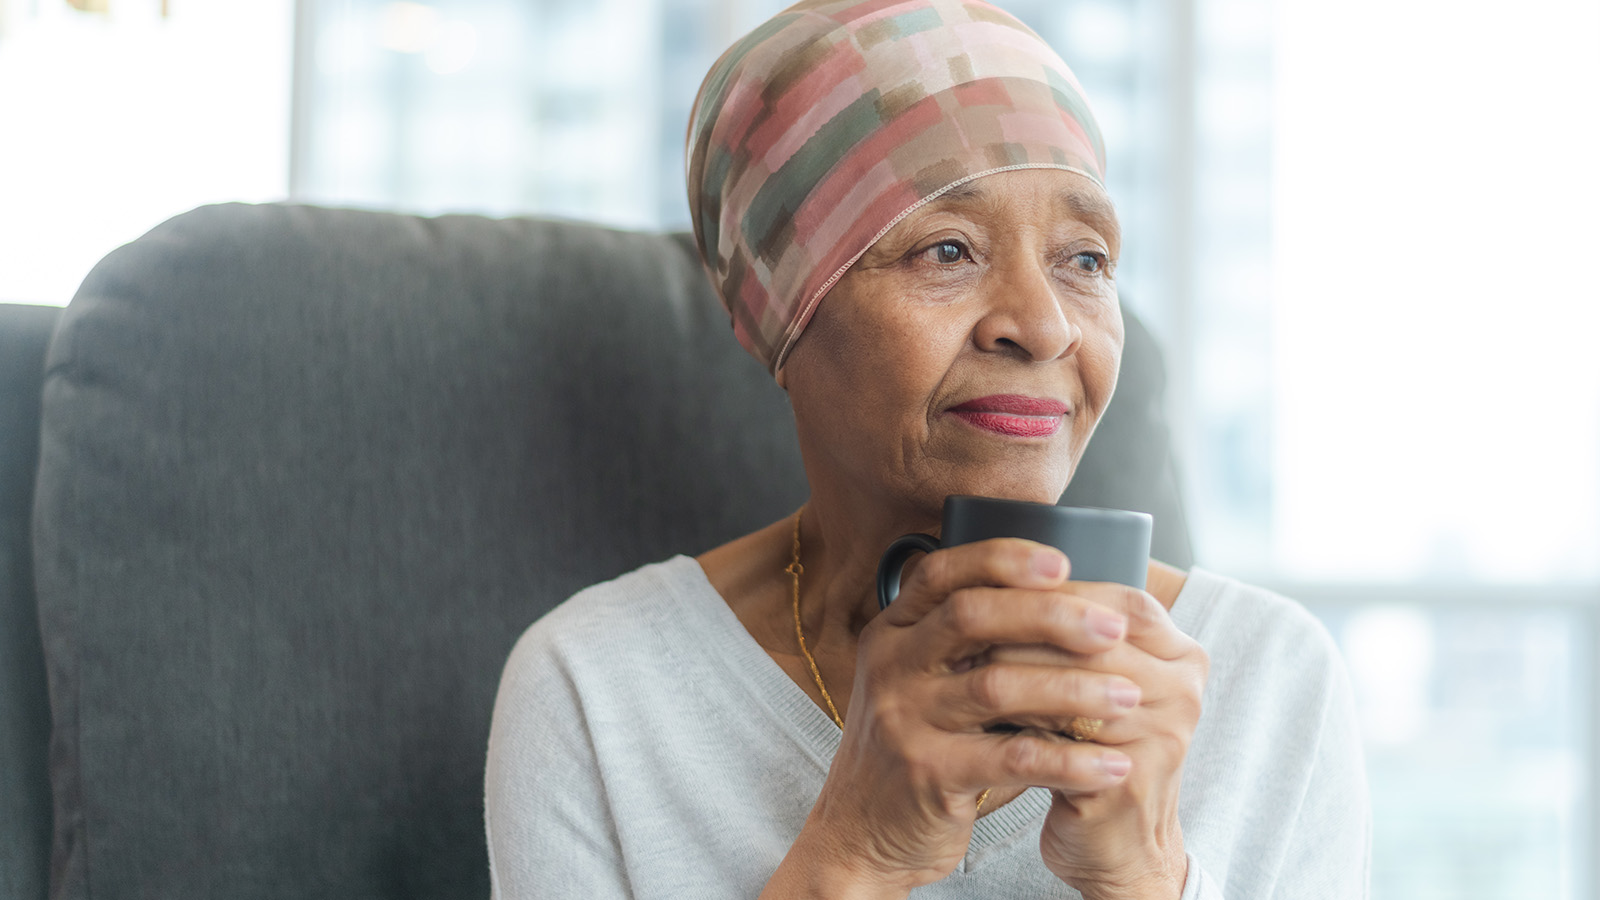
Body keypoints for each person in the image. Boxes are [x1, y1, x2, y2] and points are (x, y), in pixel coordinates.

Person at [485, 0, 1370, 897]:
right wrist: (856, 853)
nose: (1043, 325)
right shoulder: (596, 689)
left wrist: (1145, 872)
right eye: (947, 250)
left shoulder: (1271, 683)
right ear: (785, 316)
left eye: (1086, 259)